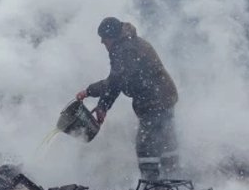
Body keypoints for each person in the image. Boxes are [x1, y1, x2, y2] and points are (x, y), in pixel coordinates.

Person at [76, 16, 179, 181]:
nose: (102, 42)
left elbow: (116, 81)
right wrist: (103, 107)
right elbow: (117, 82)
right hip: (162, 96)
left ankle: (151, 185)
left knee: (146, 144)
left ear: (113, 36)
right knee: (165, 140)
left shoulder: (127, 50)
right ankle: (173, 181)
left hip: (155, 100)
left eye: (104, 38)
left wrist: (89, 91)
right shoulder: (125, 45)